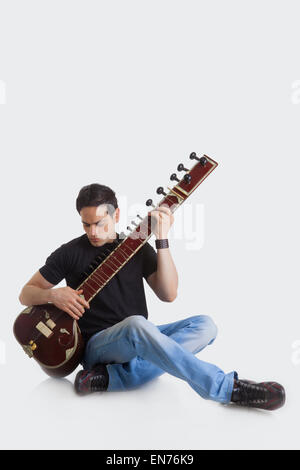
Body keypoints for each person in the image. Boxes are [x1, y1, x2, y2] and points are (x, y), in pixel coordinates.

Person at [19, 183, 285, 410]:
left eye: (100, 223)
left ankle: (113, 379)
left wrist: (162, 238)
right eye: (86, 224)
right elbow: (25, 294)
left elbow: (168, 294)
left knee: (206, 325)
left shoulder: (134, 247)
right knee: (137, 325)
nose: (93, 232)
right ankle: (226, 388)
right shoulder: (69, 252)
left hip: (141, 335)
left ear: (117, 214)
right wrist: (54, 295)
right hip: (96, 346)